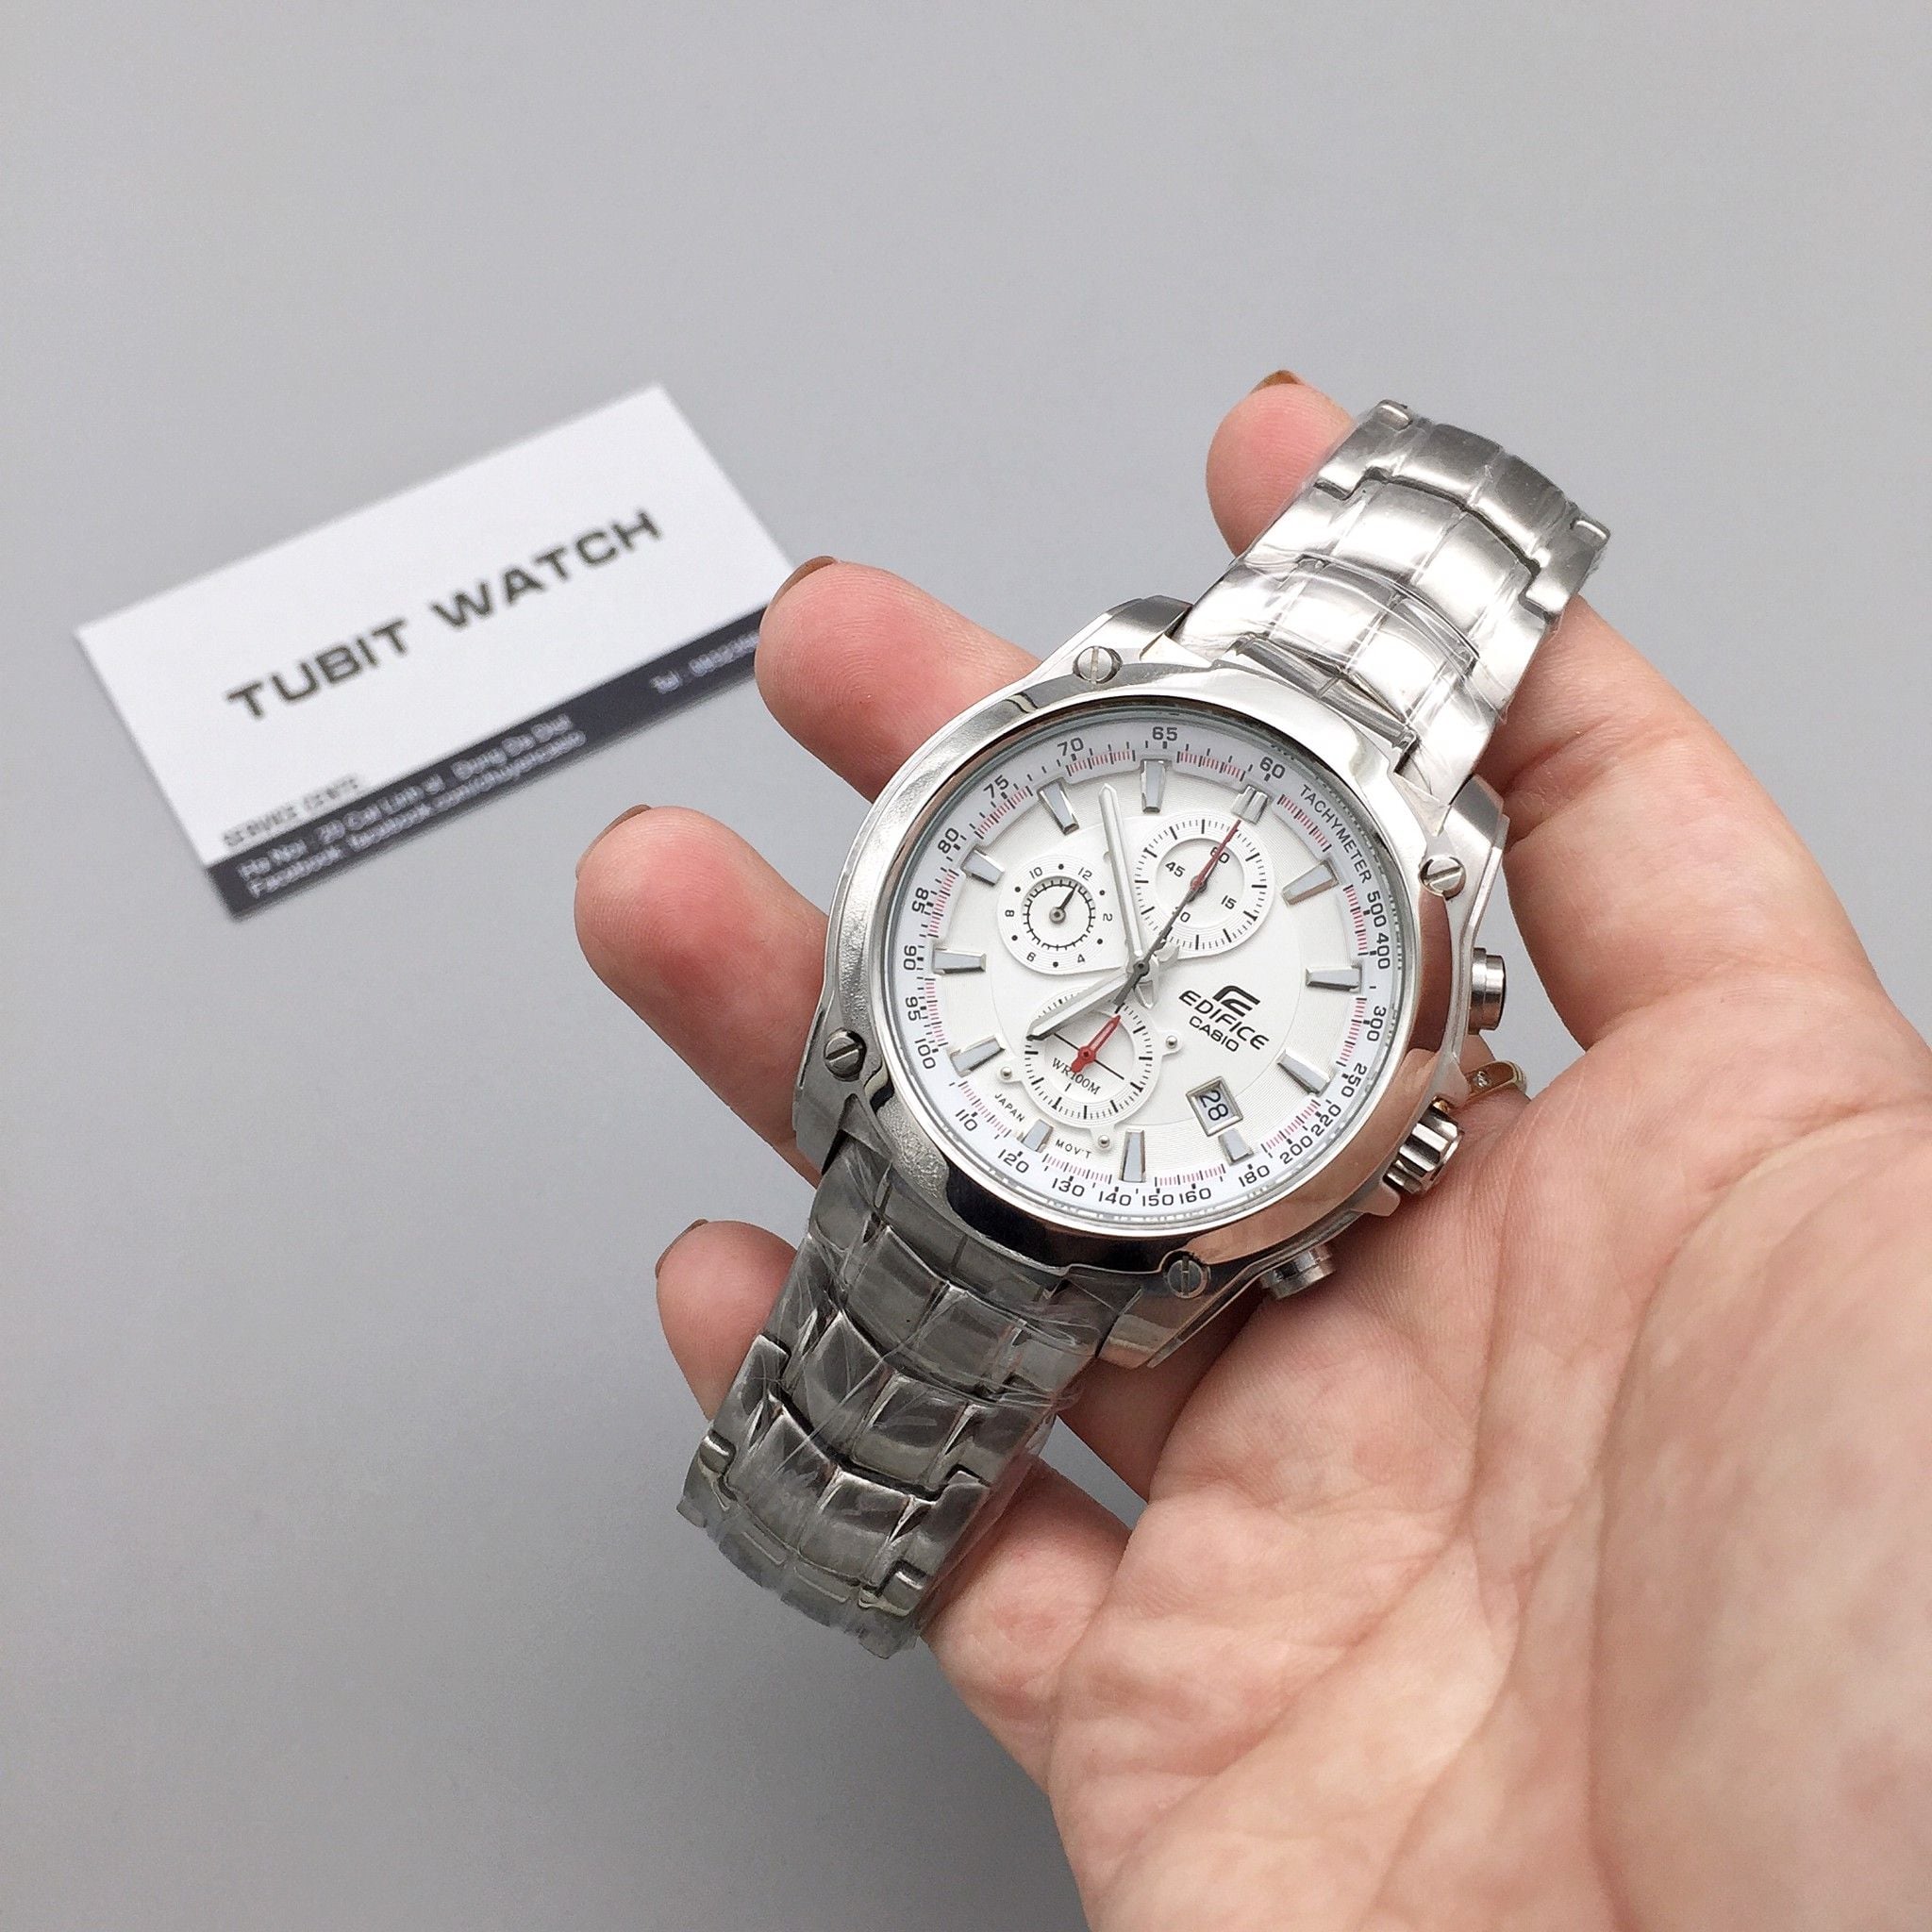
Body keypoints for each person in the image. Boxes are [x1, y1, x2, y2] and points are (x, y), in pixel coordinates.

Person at [574, 375, 1932, 1930]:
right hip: (925, 1107)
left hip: (1102, 1221)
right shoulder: (1098, 717)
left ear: (1410, 1129)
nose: (1153, 973)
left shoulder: (1409, 966)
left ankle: (843, 1535)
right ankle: (822, 1515)